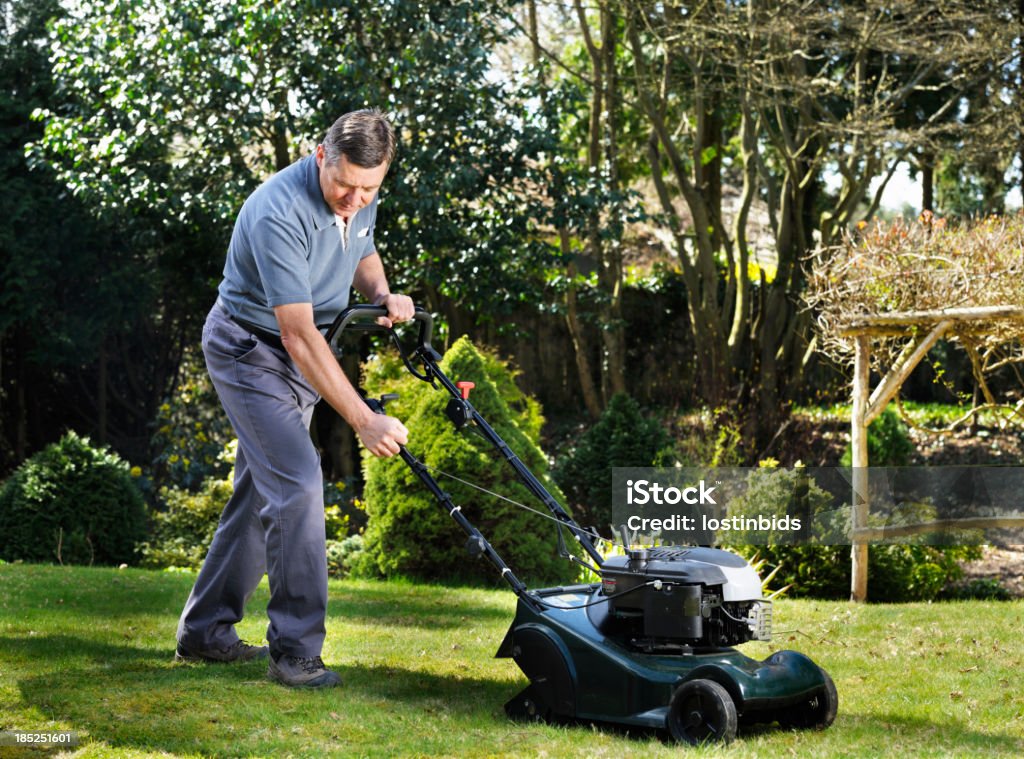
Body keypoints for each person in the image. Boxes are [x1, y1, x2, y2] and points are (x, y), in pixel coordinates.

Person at [174, 109, 413, 688]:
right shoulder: (278, 211)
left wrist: (383, 293)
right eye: (345, 184)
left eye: (369, 187)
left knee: (265, 489)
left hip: (299, 355)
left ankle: (205, 632)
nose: (355, 198)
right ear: (318, 156)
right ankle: (296, 653)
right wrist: (364, 419)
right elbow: (297, 335)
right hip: (249, 353)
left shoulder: (359, 193)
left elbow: (361, 248)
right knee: (299, 484)